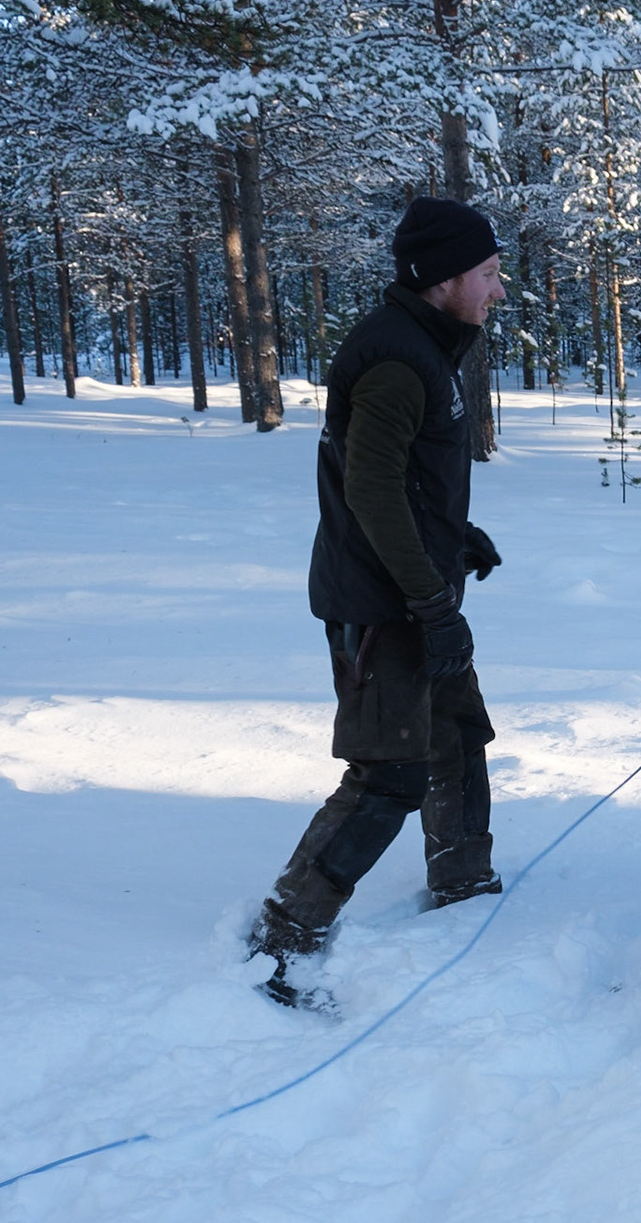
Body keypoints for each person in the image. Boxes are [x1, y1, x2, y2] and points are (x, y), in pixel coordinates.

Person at [248, 196, 508, 1008]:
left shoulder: (426, 346)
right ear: (444, 279)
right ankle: (286, 933)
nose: (499, 291)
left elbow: (405, 479)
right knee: (390, 768)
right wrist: (430, 599)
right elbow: (369, 489)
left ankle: (463, 886)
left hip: (416, 588)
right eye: (490, 274)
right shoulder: (398, 359)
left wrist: (454, 533)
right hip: (386, 603)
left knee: (457, 734)